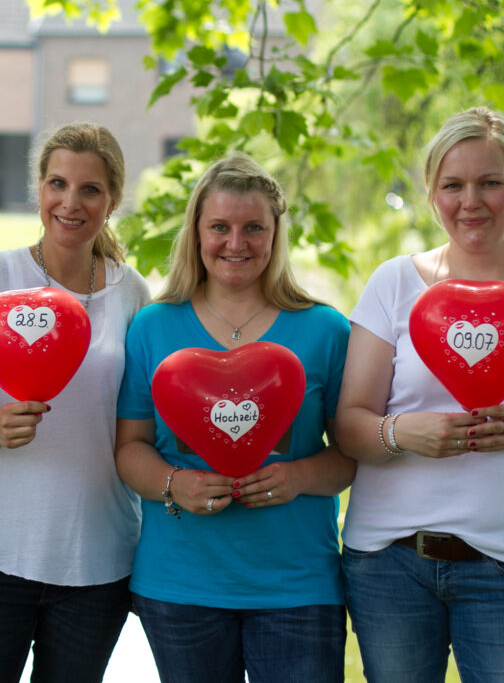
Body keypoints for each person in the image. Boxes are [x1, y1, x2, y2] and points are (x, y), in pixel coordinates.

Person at [115, 153, 355, 683]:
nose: (236, 243)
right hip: (180, 585)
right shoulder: (152, 327)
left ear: (276, 234)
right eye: (219, 227)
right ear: (196, 233)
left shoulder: (325, 329)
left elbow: (349, 454)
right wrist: (175, 483)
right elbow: (129, 447)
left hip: (298, 585)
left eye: (254, 228)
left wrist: (296, 477)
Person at [0, 123, 150, 683]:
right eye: (57, 183)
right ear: (39, 188)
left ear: (112, 200)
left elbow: (140, 425)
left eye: (90, 189)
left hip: (98, 558)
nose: (70, 203)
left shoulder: (133, 294)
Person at [336, 106, 504, 681]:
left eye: (490, 182)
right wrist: (399, 432)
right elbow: (348, 427)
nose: (472, 201)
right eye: (453, 185)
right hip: (391, 565)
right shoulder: (394, 282)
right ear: (431, 193)